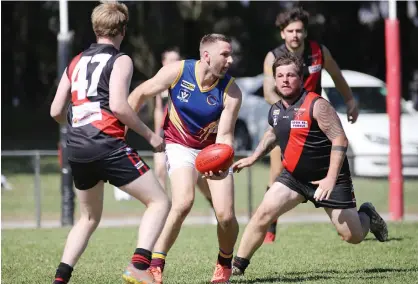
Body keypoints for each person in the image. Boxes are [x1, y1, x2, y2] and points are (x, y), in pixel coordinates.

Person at [231, 52, 388, 276]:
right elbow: (273, 134)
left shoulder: (317, 105)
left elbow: (340, 139)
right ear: (274, 79)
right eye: (280, 75)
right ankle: (237, 267)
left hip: (329, 179)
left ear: (301, 78)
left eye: (291, 75)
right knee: (263, 213)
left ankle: (367, 215)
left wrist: (330, 179)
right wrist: (253, 157)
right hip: (294, 178)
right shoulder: (276, 109)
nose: (285, 80)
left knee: (351, 236)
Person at [49, 2, 170, 284]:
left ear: (95, 28)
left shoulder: (76, 61)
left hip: (77, 147)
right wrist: (151, 136)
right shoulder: (121, 59)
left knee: (88, 218)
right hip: (107, 144)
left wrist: (80, 124)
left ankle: (59, 279)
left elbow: (56, 111)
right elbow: (118, 106)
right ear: (123, 30)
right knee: (160, 201)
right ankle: (139, 267)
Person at [128, 33, 242, 283]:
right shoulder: (177, 71)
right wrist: (120, 130)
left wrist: (222, 163)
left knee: (225, 216)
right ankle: (156, 265)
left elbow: (225, 135)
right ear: (206, 56)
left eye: (230, 54)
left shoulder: (232, 91)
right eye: (225, 54)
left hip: (213, 150)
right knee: (183, 202)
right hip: (180, 145)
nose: (230, 60)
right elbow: (140, 94)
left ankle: (224, 260)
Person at [262, 6, 360, 243]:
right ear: (282, 33)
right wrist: (289, 115)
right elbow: (268, 91)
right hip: (286, 121)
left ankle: (348, 216)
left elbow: (336, 76)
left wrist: (349, 100)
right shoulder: (273, 56)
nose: (295, 35)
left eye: (299, 30)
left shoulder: (319, 51)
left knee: (331, 164)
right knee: (277, 172)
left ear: (305, 33)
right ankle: (269, 227)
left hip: (317, 122)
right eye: (290, 31)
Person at [154, 48, 215, 212]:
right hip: (165, 132)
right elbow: (158, 109)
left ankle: (212, 201)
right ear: (163, 62)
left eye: (176, 59)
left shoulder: (186, 78)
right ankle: (162, 209)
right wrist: (155, 133)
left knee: (199, 178)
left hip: (185, 136)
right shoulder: (161, 80)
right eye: (170, 60)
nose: (173, 62)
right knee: (159, 168)